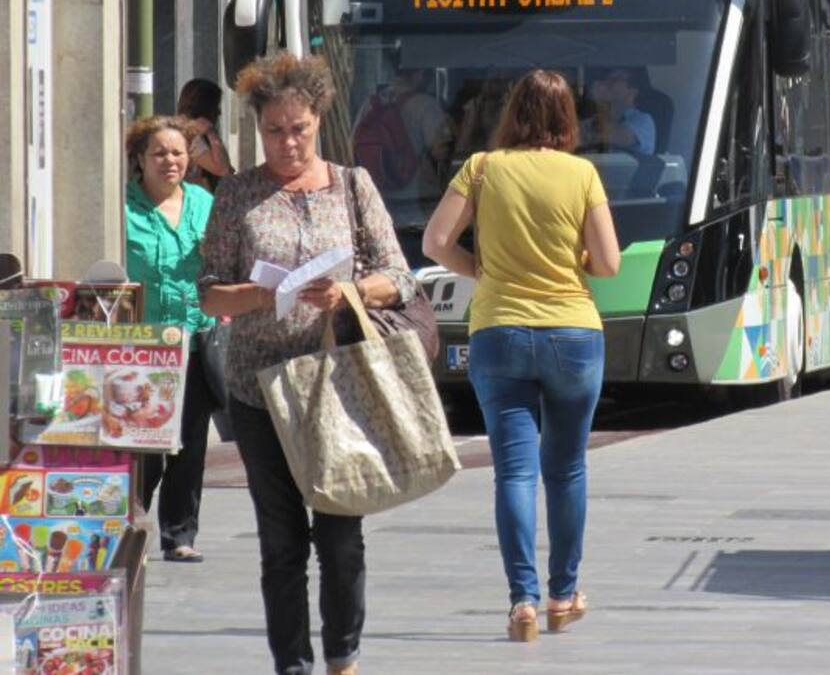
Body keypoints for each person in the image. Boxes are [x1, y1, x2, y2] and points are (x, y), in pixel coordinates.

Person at [200, 53, 416, 675]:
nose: (287, 142)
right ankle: (291, 664)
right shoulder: (240, 193)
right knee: (282, 543)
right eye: (274, 130)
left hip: (335, 387)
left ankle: (343, 657)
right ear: (257, 128)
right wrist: (263, 293)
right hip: (259, 389)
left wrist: (349, 292)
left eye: (298, 128)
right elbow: (210, 290)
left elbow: (398, 276)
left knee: (342, 538)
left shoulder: (353, 185)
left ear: (317, 120)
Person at [423, 68, 621, 642]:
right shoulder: (582, 174)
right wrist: (572, 258)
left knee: (513, 471)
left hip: (499, 331)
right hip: (573, 335)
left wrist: (480, 269)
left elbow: (435, 242)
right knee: (567, 468)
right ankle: (564, 594)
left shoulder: (482, 168)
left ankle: (522, 603)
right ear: (567, 120)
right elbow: (607, 264)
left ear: (512, 114)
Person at [124, 115, 216, 562]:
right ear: (140, 159)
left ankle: (180, 535)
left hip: (196, 340)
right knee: (144, 446)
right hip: (142, 346)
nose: (170, 161)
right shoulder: (121, 206)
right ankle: (127, 522)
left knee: (189, 443)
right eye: (159, 152)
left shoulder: (203, 201)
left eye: (178, 152)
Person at [351, 58, 453, 202]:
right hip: (418, 198)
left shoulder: (371, 103)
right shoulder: (426, 105)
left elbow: (354, 143)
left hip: (377, 197)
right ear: (419, 75)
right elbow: (441, 152)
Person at [581, 67, 656, 155]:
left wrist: (601, 102)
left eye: (615, 79)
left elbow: (620, 137)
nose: (606, 83)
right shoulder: (593, 117)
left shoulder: (643, 120)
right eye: (606, 80)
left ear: (632, 91)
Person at [177, 78, 233, 194]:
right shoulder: (190, 134)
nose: (219, 112)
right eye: (216, 105)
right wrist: (211, 132)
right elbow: (223, 169)